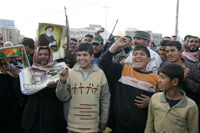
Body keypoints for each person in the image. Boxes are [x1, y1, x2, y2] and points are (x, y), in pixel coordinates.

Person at [100, 38, 160, 133]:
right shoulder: (123, 70)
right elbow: (104, 62)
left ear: (149, 59)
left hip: (142, 126)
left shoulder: (156, 78)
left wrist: (151, 101)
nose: (138, 56)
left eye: (142, 54)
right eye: (135, 54)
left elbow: (163, 99)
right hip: (121, 125)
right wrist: (115, 46)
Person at [56, 43, 110, 133]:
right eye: (79, 55)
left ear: (92, 57)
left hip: (93, 126)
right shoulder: (70, 73)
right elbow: (63, 97)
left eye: (85, 55)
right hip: (73, 126)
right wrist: (62, 82)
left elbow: (105, 99)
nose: (81, 58)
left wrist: (104, 120)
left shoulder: (100, 74)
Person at [21, 46, 67, 133]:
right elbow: (24, 92)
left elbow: (63, 94)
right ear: (36, 56)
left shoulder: (59, 70)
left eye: (46, 54)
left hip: (51, 114)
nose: (43, 56)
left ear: (50, 56)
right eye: (40, 54)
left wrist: (55, 86)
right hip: (33, 114)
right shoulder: (29, 71)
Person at [145, 63, 199, 133]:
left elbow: (193, 130)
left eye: (163, 77)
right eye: (159, 77)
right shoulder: (155, 98)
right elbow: (149, 125)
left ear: (175, 81)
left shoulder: (190, 106)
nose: (159, 81)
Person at [165, 41, 200, 129]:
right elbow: (160, 88)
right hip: (168, 109)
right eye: (167, 51)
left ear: (180, 52)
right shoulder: (164, 67)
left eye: (172, 51)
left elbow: (197, 88)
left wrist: (185, 81)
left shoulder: (192, 67)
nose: (169, 54)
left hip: (187, 110)